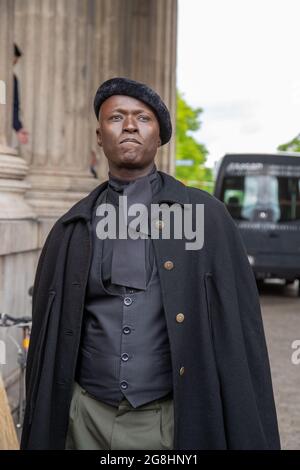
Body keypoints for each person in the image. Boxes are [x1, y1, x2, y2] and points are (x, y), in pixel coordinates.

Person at [21, 77, 280, 450]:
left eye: (142, 118)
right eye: (116, 118)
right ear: (99, 135)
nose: (129, 126)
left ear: (159, 136)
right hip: (85, 419)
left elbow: (241, 336)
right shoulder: (71, 229)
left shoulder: (206, 219)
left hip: (167, 422)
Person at [13, 43, 29, 145]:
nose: (15, 62)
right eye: (15, 59)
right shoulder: (7, 80)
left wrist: (18, 127)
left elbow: (6, 105)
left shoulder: (10, 79)